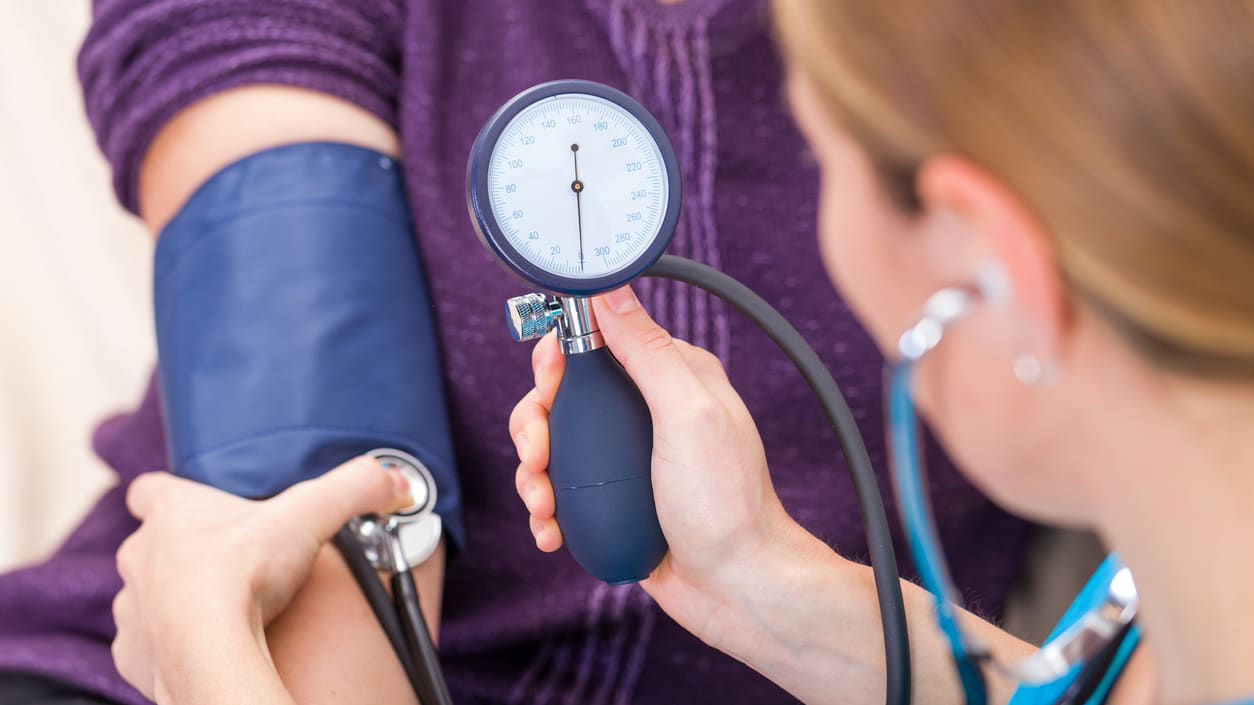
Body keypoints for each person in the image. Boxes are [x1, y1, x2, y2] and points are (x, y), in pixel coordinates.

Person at [98, 0, 1254, 703]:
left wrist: (217, 677)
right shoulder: (1182, 613)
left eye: (821, 149)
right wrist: (771, 585)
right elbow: (309, 465)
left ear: (986, 256)